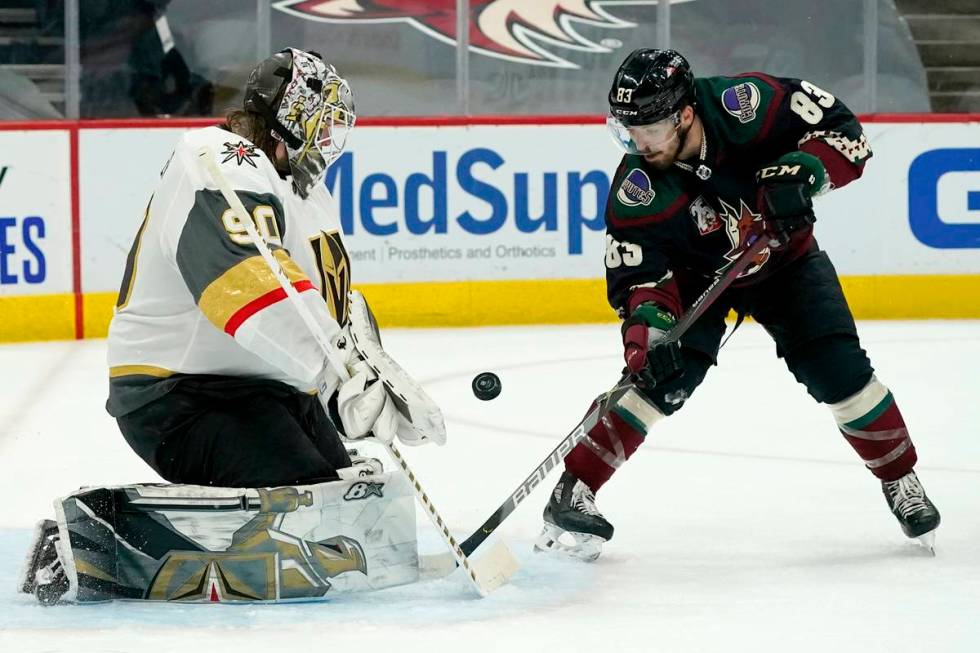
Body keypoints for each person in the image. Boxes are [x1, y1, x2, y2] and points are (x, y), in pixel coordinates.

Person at [20, 48, 445, 605]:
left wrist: (370, 373)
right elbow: (245, 280)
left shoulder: (302, 190)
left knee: (341, 501)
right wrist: (335, 378)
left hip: (262, 392)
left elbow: (327, 304)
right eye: (322, 126)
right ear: (290, 117)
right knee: (304, 512)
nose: (328, 143)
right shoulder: (217, 158)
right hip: (177, 395)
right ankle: (90, 543)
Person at [536, 49, 940, 561]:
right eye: (627, 130)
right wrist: (649, 334)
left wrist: (807, 172)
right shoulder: (637, 191)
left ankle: (900, 480)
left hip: (787, 262)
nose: (638, 143)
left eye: (650, 129)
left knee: (841, 372)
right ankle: (575, 487)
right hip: (697, 277)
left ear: (684, 114)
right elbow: (640, 279)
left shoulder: (746, 105)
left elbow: (844, 133)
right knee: (662, 378)